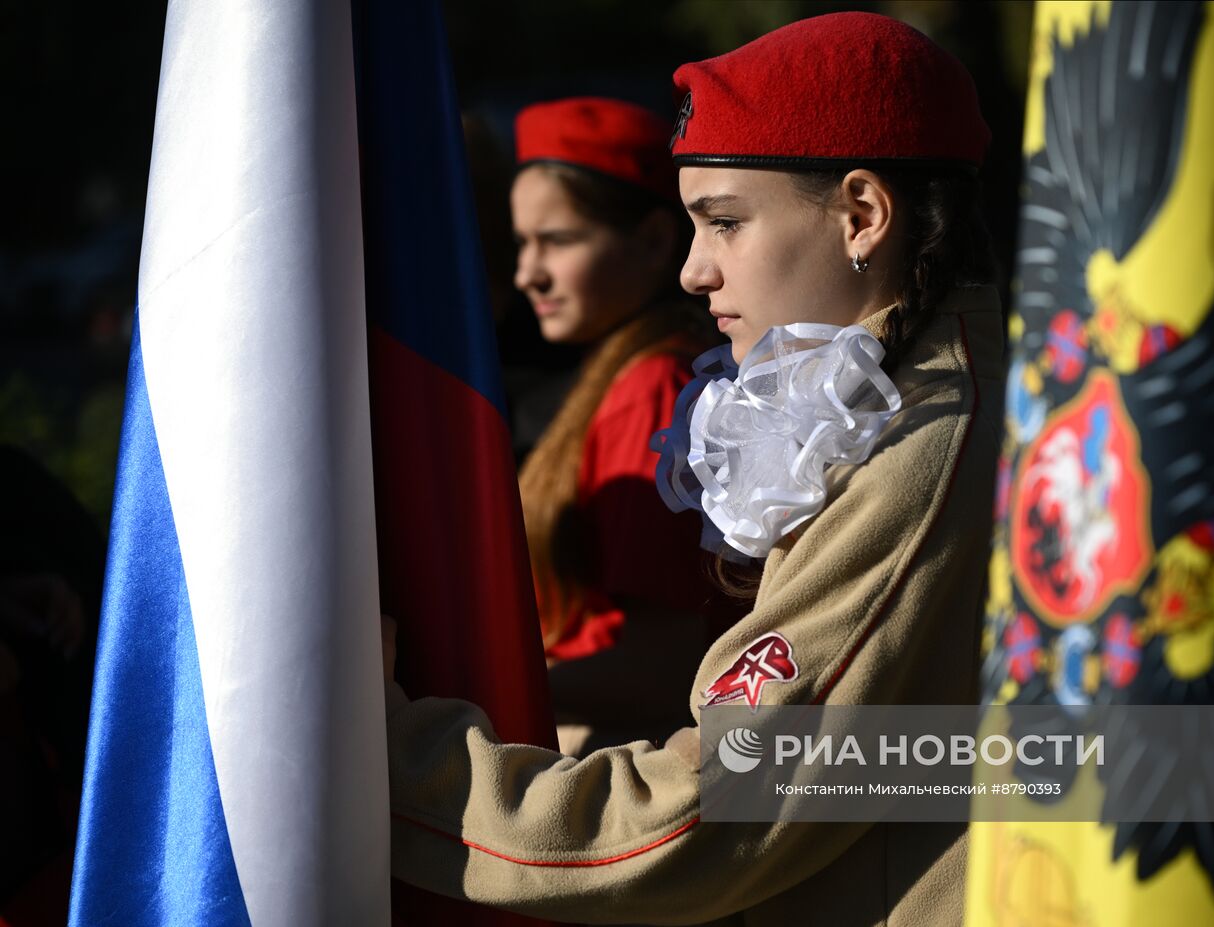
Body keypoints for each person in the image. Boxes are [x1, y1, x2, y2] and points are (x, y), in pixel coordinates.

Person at [384, 13, 1005, 924]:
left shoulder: (922, 444)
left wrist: (390, 758)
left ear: (862, 214)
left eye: (725, 223)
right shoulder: (906, 406)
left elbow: (717, 806)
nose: (691, 271)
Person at [508, 97, 733, 755]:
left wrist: (487, 685)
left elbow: (662, 662)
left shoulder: (653, 391)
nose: (528, 272)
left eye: (559, 240)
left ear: (656, 240)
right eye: (522, 243)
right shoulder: (625, 375)